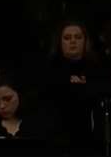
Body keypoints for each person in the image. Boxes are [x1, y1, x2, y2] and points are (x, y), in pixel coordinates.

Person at [42, 21, 106, 152]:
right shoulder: (49, 70)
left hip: (92, 142)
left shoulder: (97, 69)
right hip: (57, 141)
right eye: (67, 38)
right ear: (59, 42)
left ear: (85, 41)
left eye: (78, 37)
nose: (73, 41)